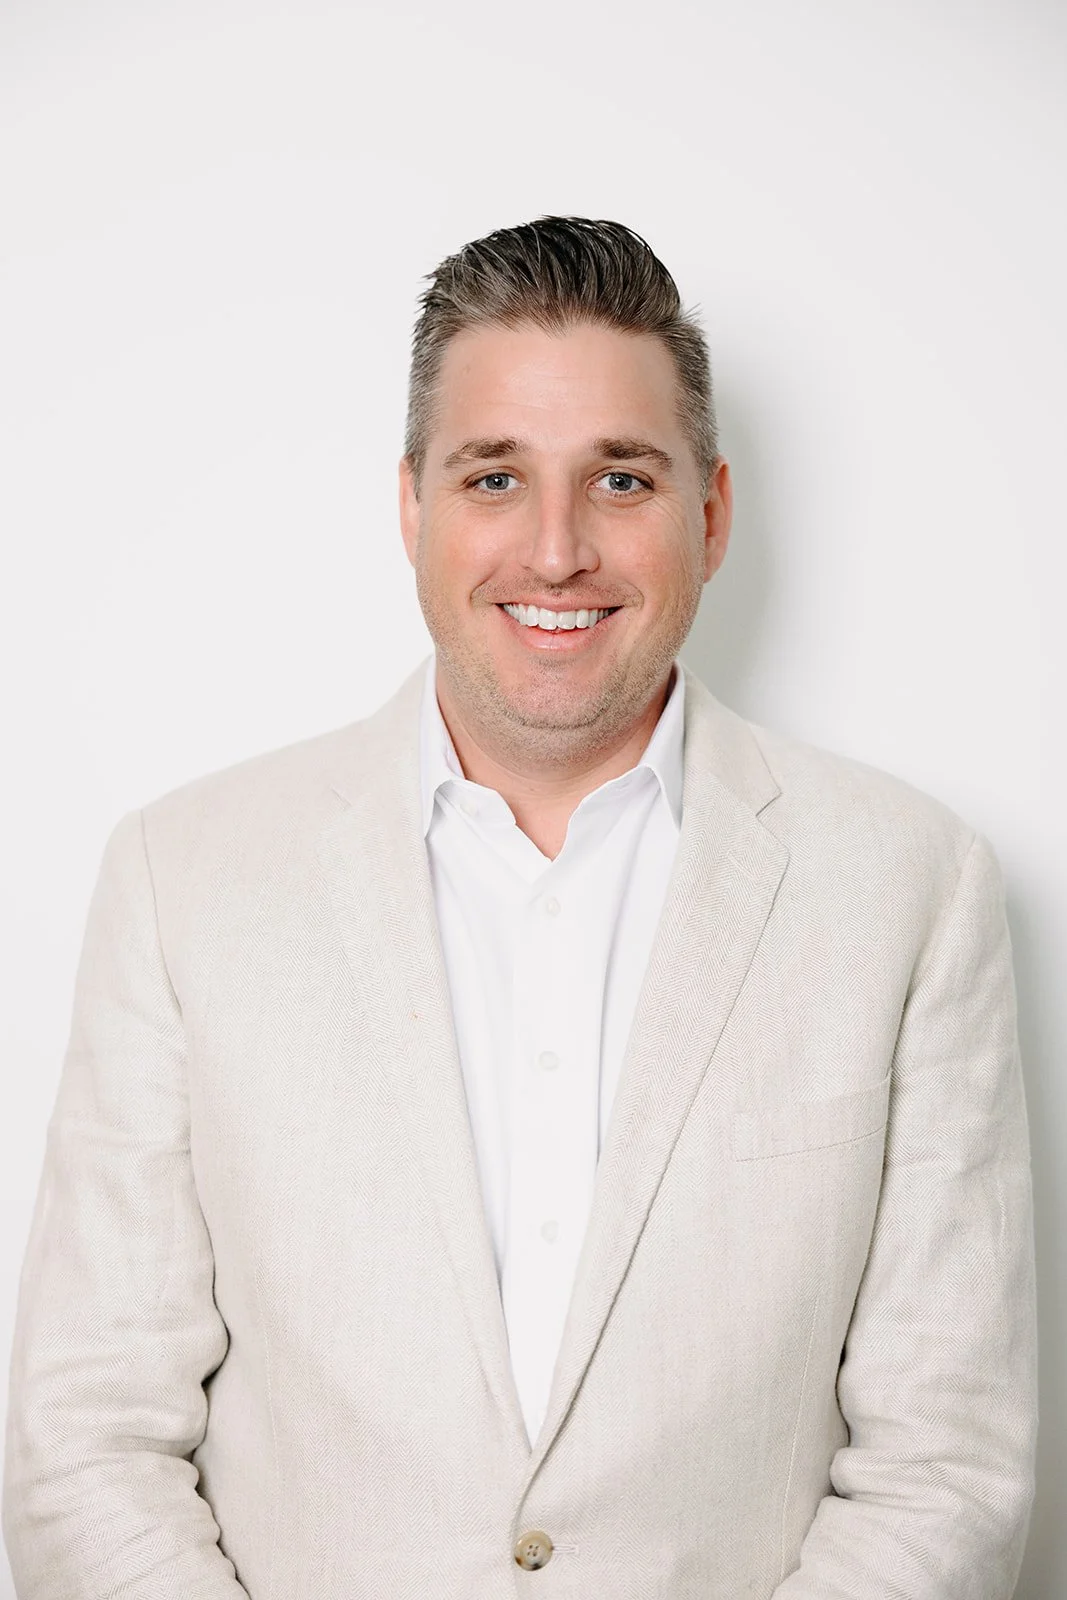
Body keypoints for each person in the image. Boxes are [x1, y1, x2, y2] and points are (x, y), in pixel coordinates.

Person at [2, 216, 1037, 1599]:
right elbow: (86, 1436)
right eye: (494, 477)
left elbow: (947, 1466)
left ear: (710, 515)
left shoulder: (912, 884)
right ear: (413, 507)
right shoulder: (181, 880)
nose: (556, 552)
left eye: (620, 478)